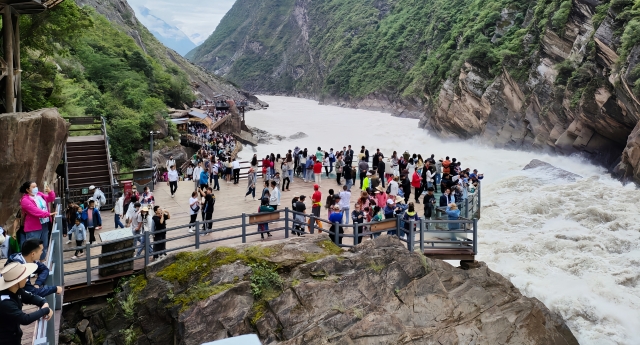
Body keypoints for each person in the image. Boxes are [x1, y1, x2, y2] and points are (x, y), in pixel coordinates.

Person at [0, 262, 53, 345]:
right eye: (24, 277)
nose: (26, 279)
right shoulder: (5, 302)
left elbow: (31, 297)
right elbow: (25, 319)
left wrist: (43, 302)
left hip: (13, 335)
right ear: (16, 282)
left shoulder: (16, 290)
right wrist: (46, 310)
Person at [19, 181, 55, 261]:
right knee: (33, 248)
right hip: (33, 227)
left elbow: (50, 199)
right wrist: (48, 214)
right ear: (27, 190)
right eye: (33, 187)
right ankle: (32, 266)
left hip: (44, 223)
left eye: (36, 186)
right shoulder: (25, 200)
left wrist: (50, 192)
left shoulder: (39, 195)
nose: (36, 188)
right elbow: (35, 211)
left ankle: (42, 262)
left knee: (44, 245)